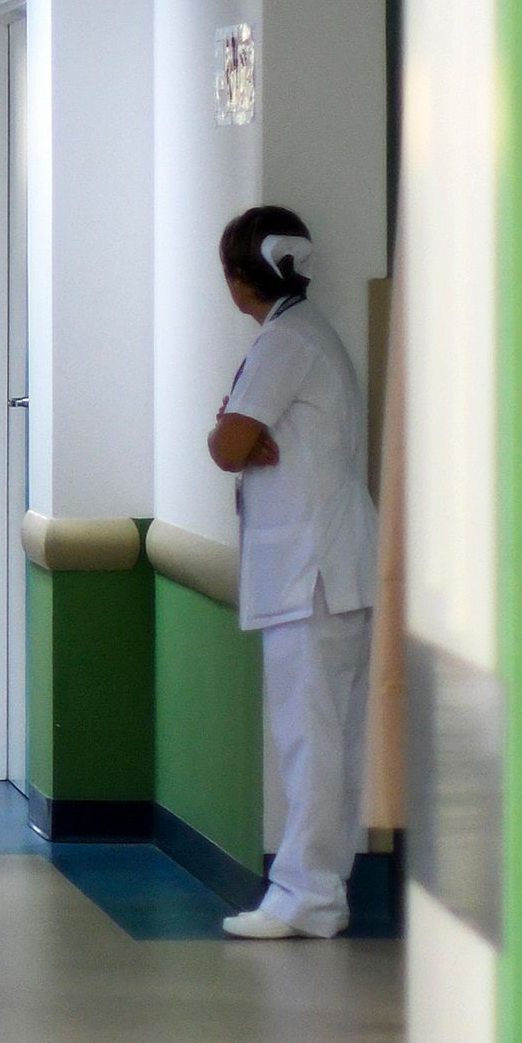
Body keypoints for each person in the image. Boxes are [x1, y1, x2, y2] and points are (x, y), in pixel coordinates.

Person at [204, 206, 380, 941]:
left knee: (311, 737)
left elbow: (224, 445)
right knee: (326, 738)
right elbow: (241, 438)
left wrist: (235, 431)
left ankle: (307, 892)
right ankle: (319, 887)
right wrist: (241, 433)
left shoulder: (284, 344)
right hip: (329, 571)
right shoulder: (311, 337)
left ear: (240, 278)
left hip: (312, 577)